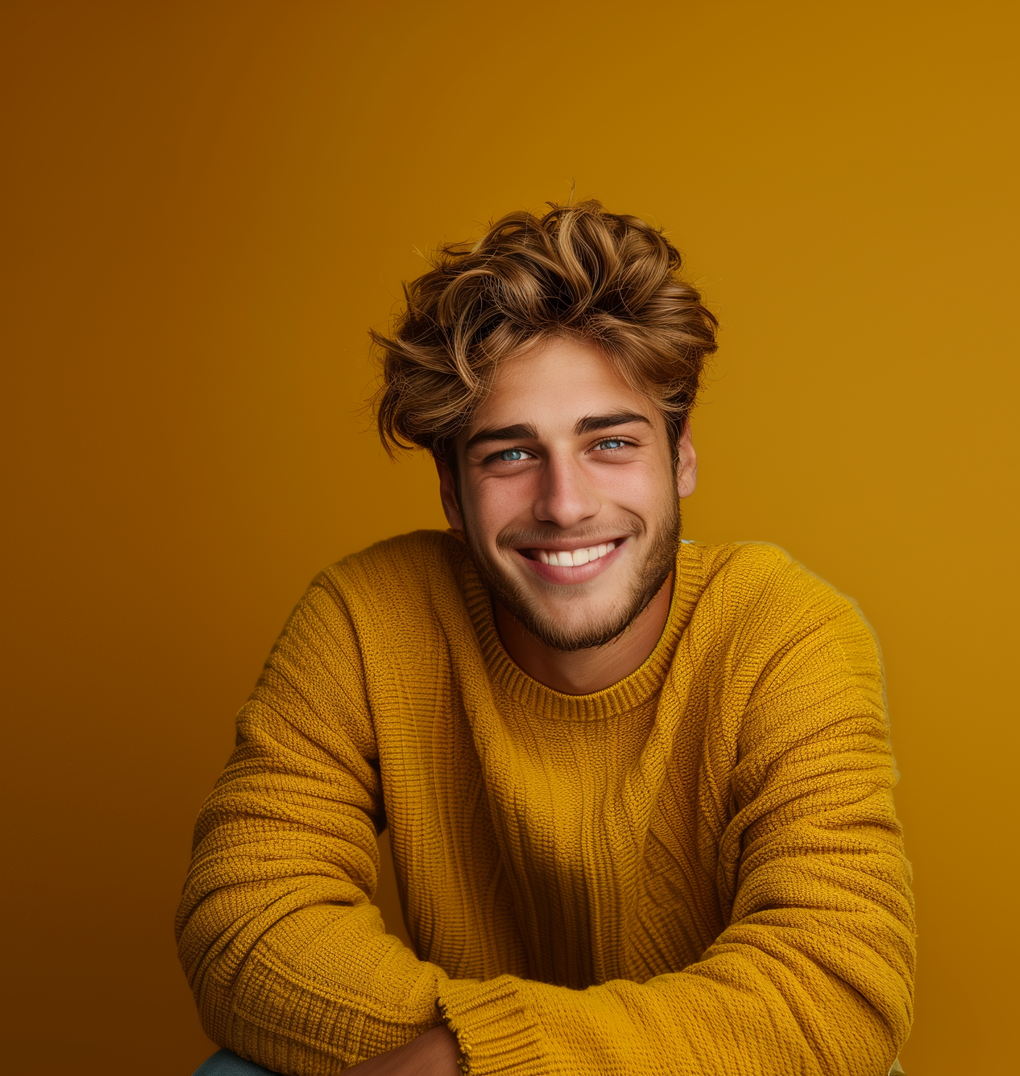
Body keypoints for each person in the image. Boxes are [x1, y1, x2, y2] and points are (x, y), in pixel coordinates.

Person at [177, 201, 915, 1076]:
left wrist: (469, 1059)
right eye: (510, 455)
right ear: (453, 495)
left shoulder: (786, 633)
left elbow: (837, 990)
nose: (564, 504)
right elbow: (247, 916)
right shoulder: (366, 617)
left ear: (680, 462)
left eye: (609, 442)